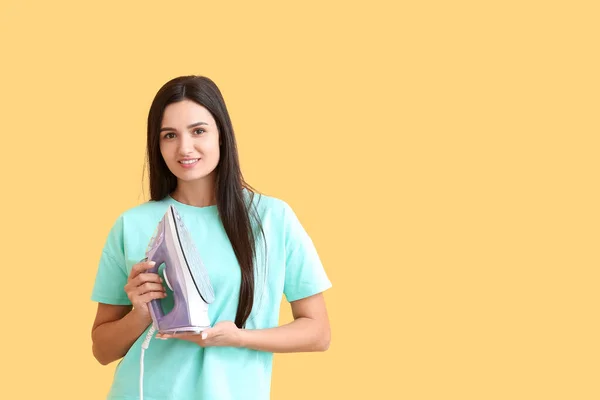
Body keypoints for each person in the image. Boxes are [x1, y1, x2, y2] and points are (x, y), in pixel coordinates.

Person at [90, 75, 332, 400]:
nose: (184, 148)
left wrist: (238, 338)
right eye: (169, 135)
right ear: (156, 143)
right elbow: (102, 351)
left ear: (222, 135)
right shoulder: (131, 224)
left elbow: (318, 333)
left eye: (198, 131)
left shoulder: (272, 219)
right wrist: (144, 313)